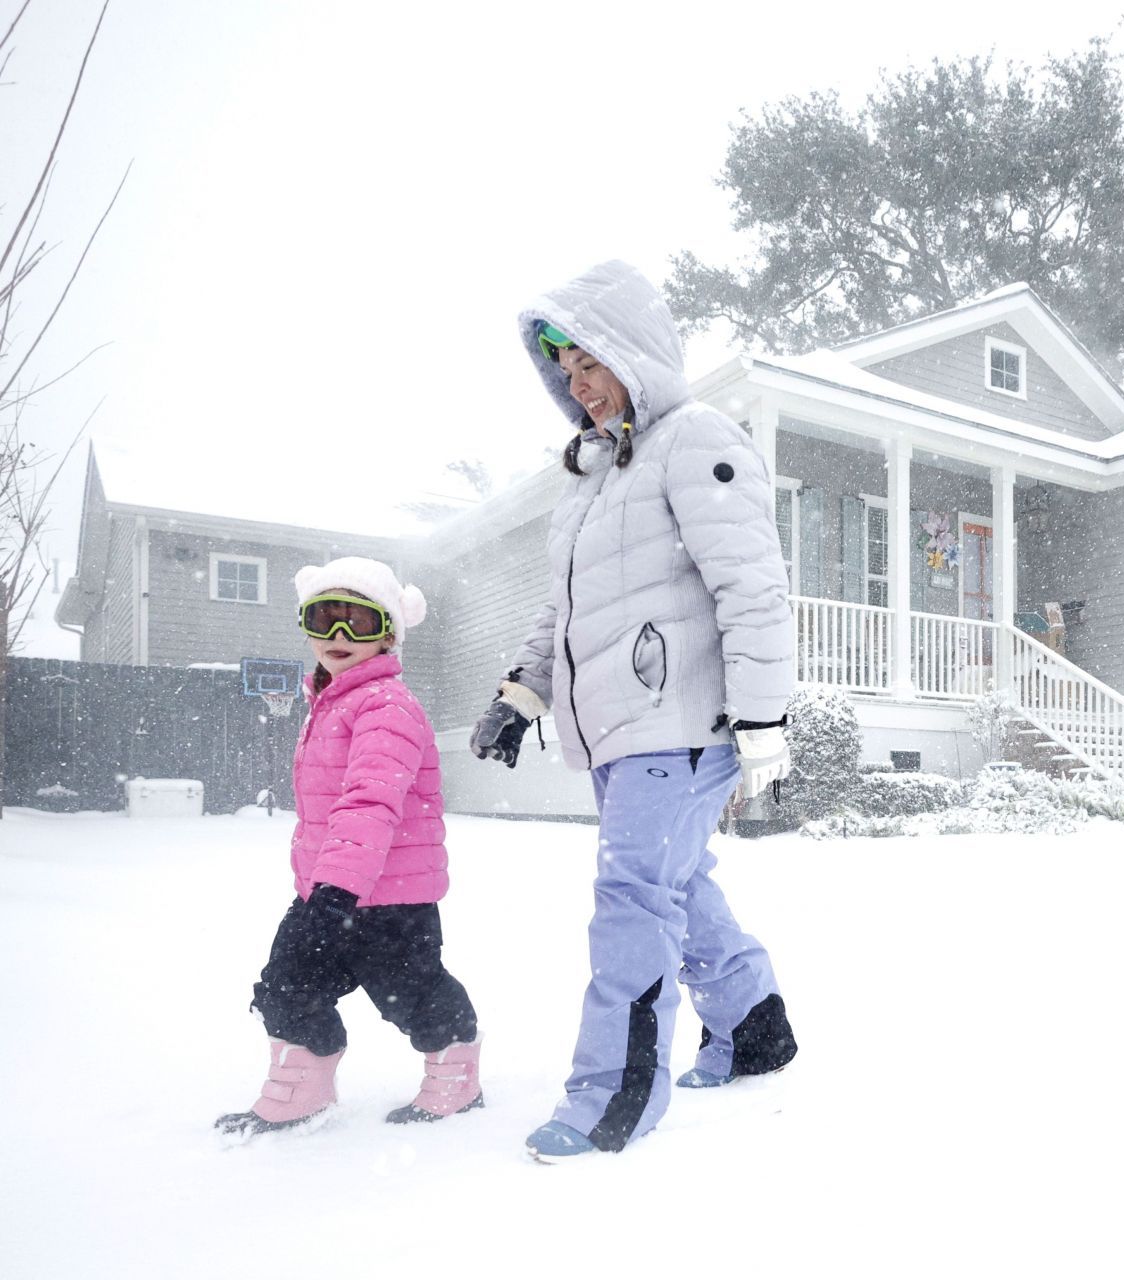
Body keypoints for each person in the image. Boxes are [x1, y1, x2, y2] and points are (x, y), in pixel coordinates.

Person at [469, 260, 798, 1163]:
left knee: (632, 899)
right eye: (564, 372)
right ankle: (754, 1022)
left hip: (682, 723)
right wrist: (520, 695)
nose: (579, 386)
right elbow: (564, 611)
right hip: (619, 732)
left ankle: (615, 1094)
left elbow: (753, 585)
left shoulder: (694, 439)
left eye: (591, 363)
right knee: (673, 886)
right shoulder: (593, 478)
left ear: (633, 353)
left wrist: (764, 720)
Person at [216, 557, 483, 1138]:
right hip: (328, 889)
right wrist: (325, 889)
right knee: (287, 984)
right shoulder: (332, 702)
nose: (338, 637)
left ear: (387, 634)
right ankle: (300, 1091)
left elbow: (369, 803)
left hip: (390, 897)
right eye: (324, 618)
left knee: (411, 994)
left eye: (357, 623)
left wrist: (334, 892)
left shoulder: (386, 705)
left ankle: (457, 1076)